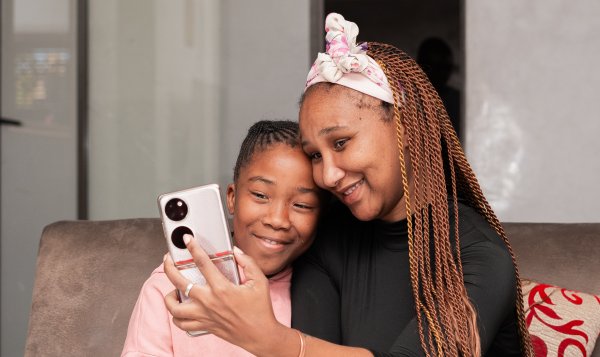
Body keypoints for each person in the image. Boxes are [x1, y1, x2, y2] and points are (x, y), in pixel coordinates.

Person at [163, 13, 533, 356]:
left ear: (405, 128)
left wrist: (269, 339)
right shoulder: (331, 238)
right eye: (316, 155)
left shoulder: (479, 256)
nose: (327, 175)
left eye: (340, 143)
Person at [121, 120, 324, 356]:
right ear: (231, 198)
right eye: (260, 195)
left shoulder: (319, 290)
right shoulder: (167, 286)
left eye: (302, 204)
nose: (277, 219)